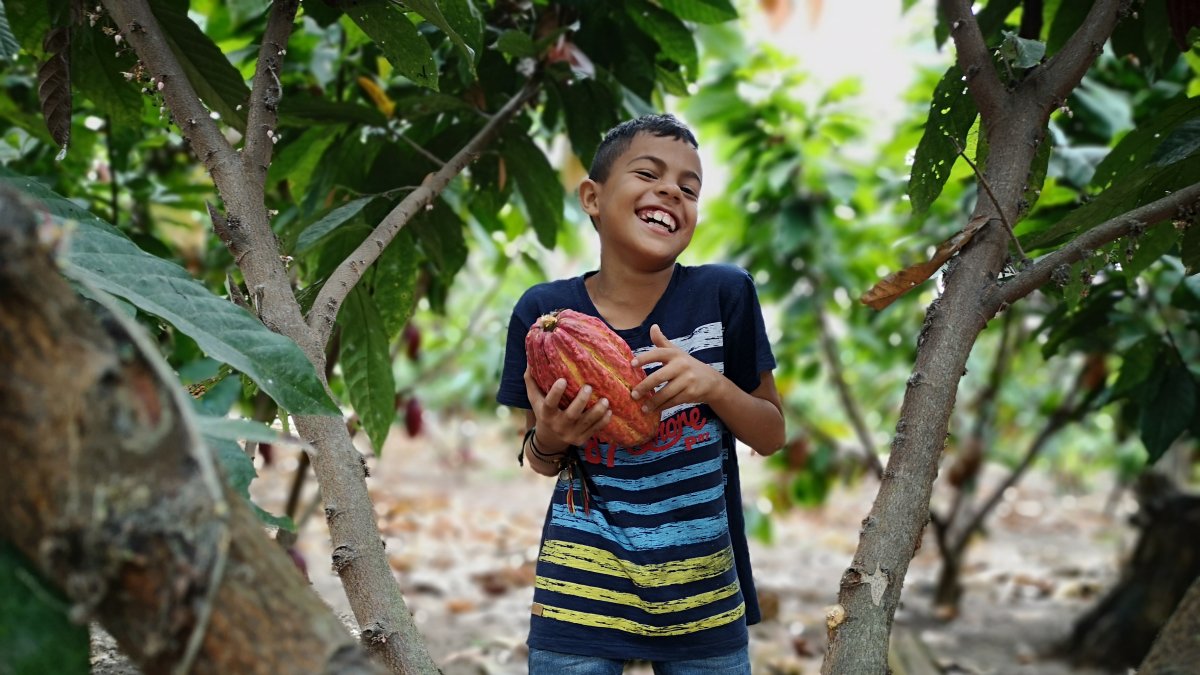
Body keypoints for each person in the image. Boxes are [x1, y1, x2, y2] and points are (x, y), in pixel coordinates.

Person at [496, 113, 785, 674]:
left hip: (700, 597)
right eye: (648, 173)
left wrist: (711, 384)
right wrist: (552, 438)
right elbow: (534, 457)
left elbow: (772, 434)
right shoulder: (544, 314)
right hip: (580, 592)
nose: (671, 191)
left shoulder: (724, 295)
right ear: (593, 197)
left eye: (689, 187)